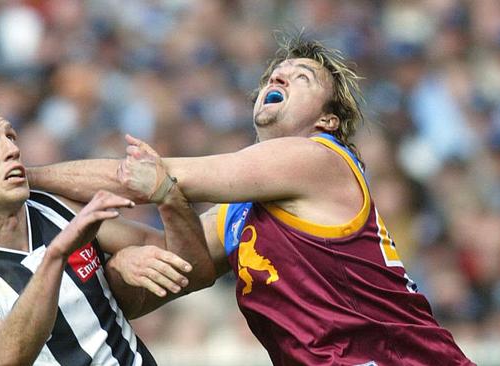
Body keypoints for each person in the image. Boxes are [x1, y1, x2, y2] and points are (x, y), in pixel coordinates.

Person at [28, 31, 475, 365]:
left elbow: (146, 179)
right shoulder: (242, 211)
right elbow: (172, 255)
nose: (279, 76)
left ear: (329, 120)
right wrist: (80, 225)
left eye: (302, 77)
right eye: (274, 74)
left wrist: (25, 177)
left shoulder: (316, 158)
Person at [0, 87, 215, 366]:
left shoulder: (56, 209)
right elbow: (5, 356)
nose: (12, 149)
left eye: (11, 137)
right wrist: (56, 255)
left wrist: (166, 197)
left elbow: (192, 267)